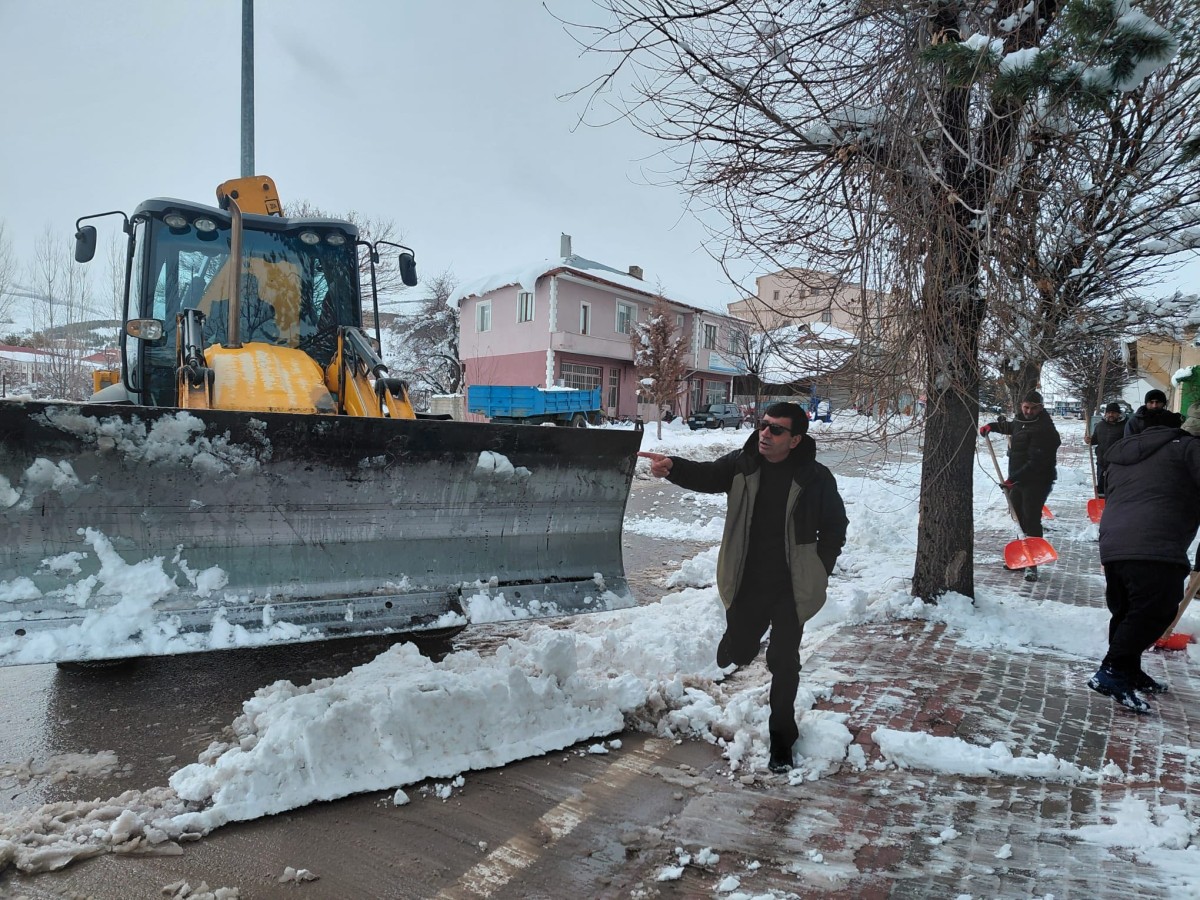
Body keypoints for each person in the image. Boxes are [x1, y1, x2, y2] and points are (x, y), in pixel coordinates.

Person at [637, 402, 848, 774]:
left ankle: (782, 739)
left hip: (791, 586)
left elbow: (835, 526)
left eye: (776, 430)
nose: (765, 433)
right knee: (741, 647)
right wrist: (674, 467)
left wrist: (819, 567)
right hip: (747, 579)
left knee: (784, 660)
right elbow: (708, 475)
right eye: (764, 425)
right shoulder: (743, 463)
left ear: (795, 439)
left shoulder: (816, 478)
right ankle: (740, 641)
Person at [1090, 423, 1200, 712]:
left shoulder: (1125, 452)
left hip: (1114, 542)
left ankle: (1128, 671)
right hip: (1155, 543)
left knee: (1127, 612)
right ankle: (1112, 671)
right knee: (1155, 611)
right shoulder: (1190, 449)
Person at [979, 390, 1062, 582]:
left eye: (1033, 408)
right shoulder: (1022, 421)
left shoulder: (1044, 429)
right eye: (1026, 407)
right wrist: (992, 426)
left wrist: (1013, 479)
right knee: (1018, 517)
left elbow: (1036, 462)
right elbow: (1012, 427)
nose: (1029, 411)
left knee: (1030, 518)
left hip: (1038, 480)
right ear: (1021, 406)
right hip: (1018, 479)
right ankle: (1024, 557)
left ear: (1041, 408)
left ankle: (1032, 564)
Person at [1085, 402, 1127, 497]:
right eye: (1108, 413)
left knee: (1115, 487)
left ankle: (1113, 506)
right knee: (1101, 487)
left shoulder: (1125, 426)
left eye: (1113, 412)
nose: (1110, 415)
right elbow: (1095, 440)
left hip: (1117, 464)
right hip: (1102, 462)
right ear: (1105, 414)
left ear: (1118, 414)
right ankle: (1100, 506)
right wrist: (1089, 440)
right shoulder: (1100, 425)